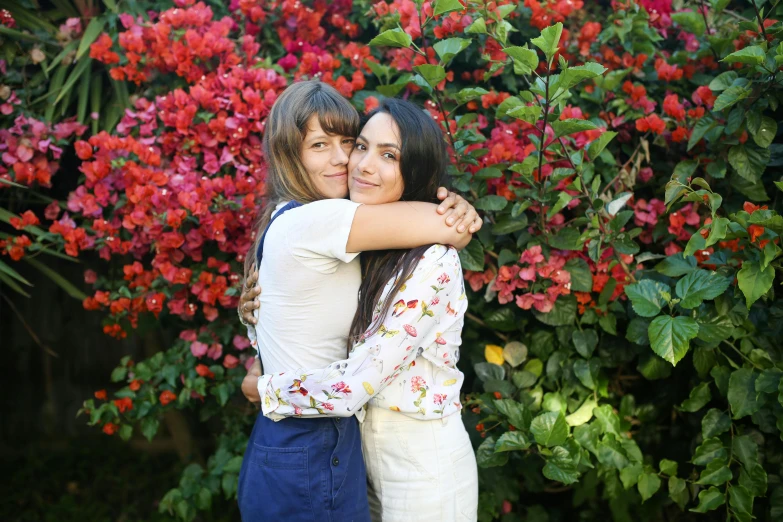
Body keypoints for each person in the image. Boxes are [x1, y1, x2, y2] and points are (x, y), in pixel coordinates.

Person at [236, 81, 481, 522]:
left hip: (419, 467)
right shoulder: (340, 232)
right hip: (346, 453)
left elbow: (354, 380)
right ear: (288, 152)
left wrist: (263, 385)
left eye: (388, 155)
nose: (357, 164)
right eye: (361, 146)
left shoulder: (428, 259)